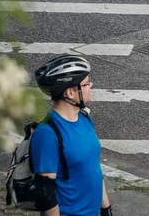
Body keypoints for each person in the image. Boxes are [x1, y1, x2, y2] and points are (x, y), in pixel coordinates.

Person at [30, 54, 112, 216]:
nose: (91, 86)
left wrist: (106, 208)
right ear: (70, 92)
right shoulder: (47, 133)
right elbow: (45, 192)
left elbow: (93, 168)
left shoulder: (84, 118)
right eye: (86, 84)